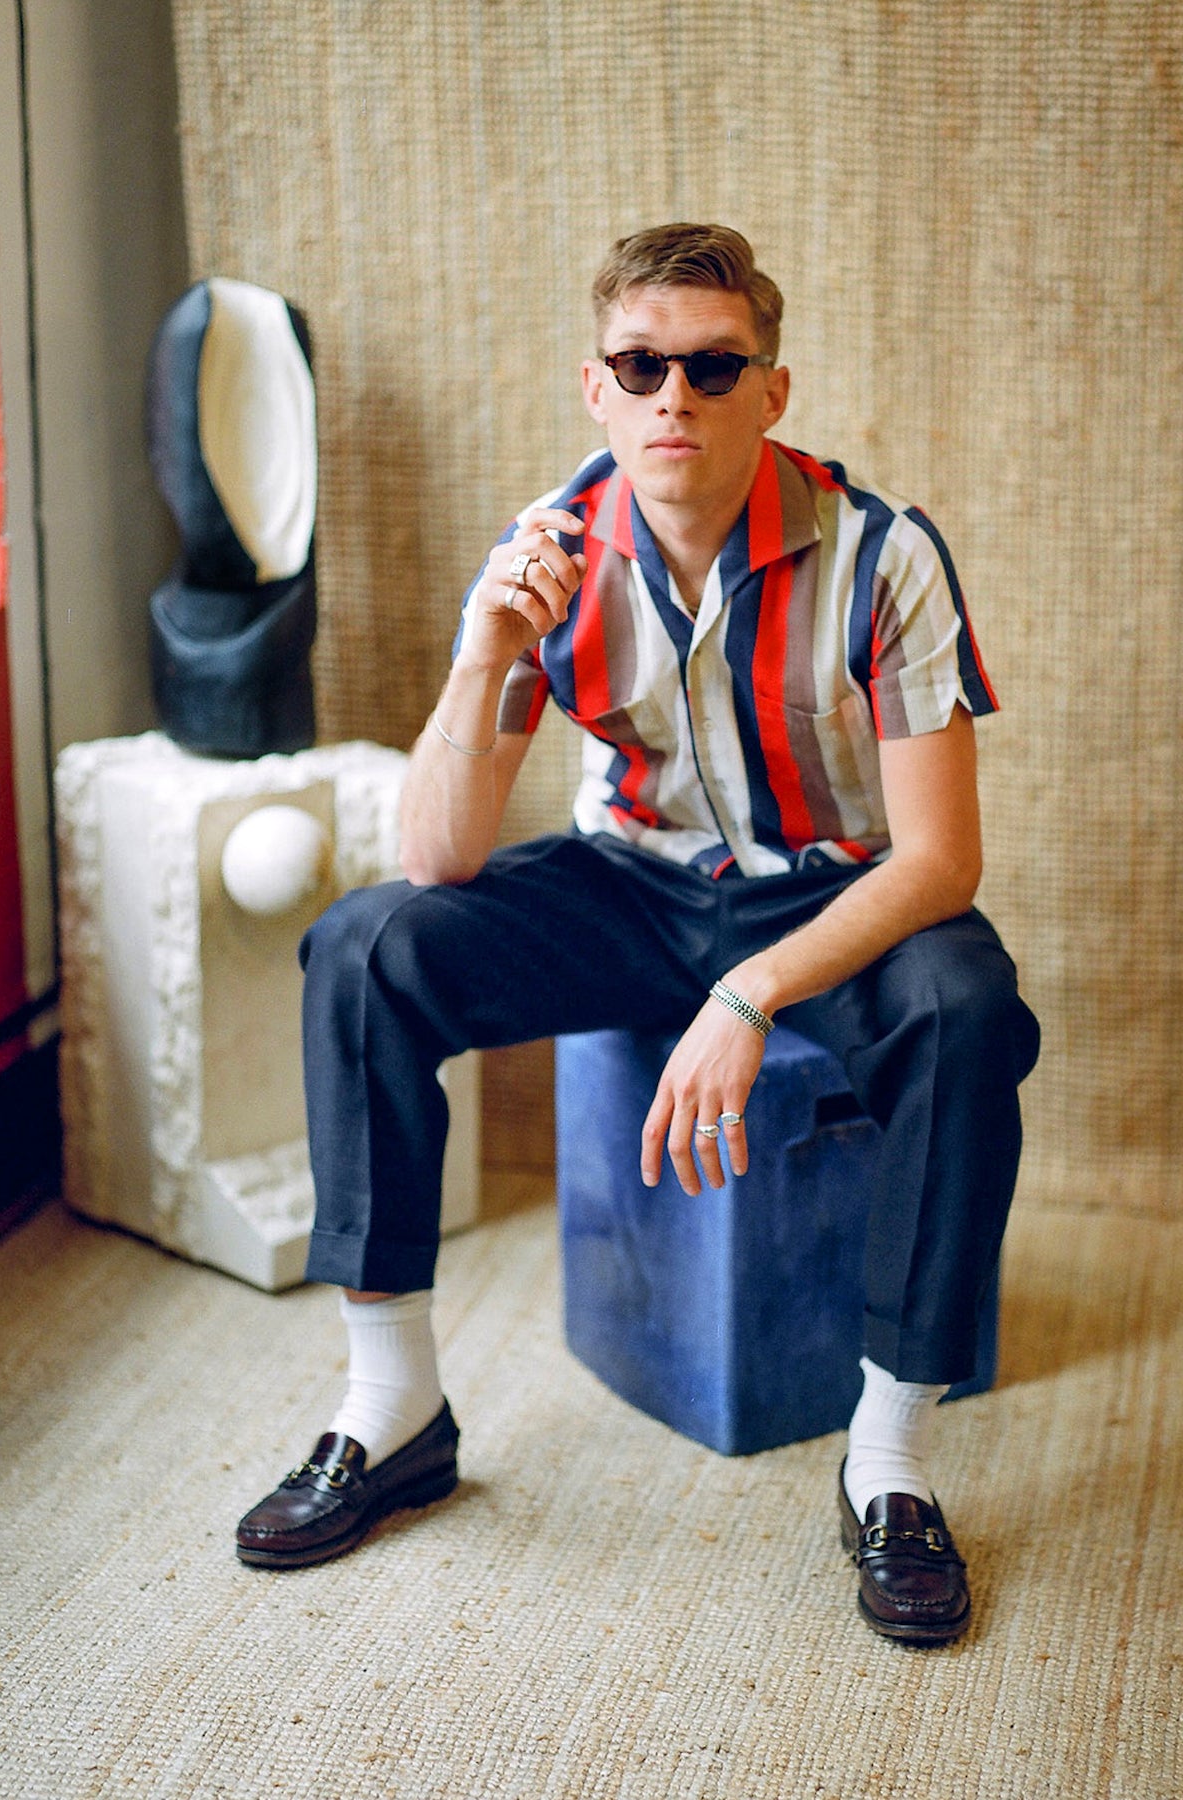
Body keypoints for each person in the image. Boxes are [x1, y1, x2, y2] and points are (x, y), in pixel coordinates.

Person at [236, 223, 1040, 1647]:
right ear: (597, 387)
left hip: (822, 889)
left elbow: (940, 860)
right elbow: (439, 857)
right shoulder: (547, 553)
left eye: (714, 365)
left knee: (966, 1000)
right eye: (642, 365)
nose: (676, 394)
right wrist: (483, 654)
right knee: (367, 947)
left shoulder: (884, 555)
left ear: (770, 391)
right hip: (627, 882)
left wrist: (751, 992)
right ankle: (394, 1404)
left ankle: (890, 1463)